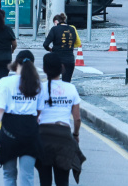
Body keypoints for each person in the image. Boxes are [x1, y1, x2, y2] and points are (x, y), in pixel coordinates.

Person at [0, 50, 43, 186]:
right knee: (27, 176)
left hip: (9, 131)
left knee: (9, 175)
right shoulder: (37, 84)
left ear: (16, 63)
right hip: (29, 130)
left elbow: (0, 110)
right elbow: (39, 111)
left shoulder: (4, 82)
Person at [36, 53, 83, 186]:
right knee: (62, 181)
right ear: (62, 68)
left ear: (44, 69)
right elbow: (77, 118)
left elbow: (35, 115)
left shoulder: (39, 88)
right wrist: (76, 134)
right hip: (64, 136)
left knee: (44, 180)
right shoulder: (71, 88)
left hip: (43, 136)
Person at [42, 13, 78, 83]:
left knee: (53, 82)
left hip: (57, 59)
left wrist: (50, 50)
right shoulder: (72, 29)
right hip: (70, 59)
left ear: (56, 21)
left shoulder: (54, 29)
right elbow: (76, 42)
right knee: (66, 83)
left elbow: (45, 44)